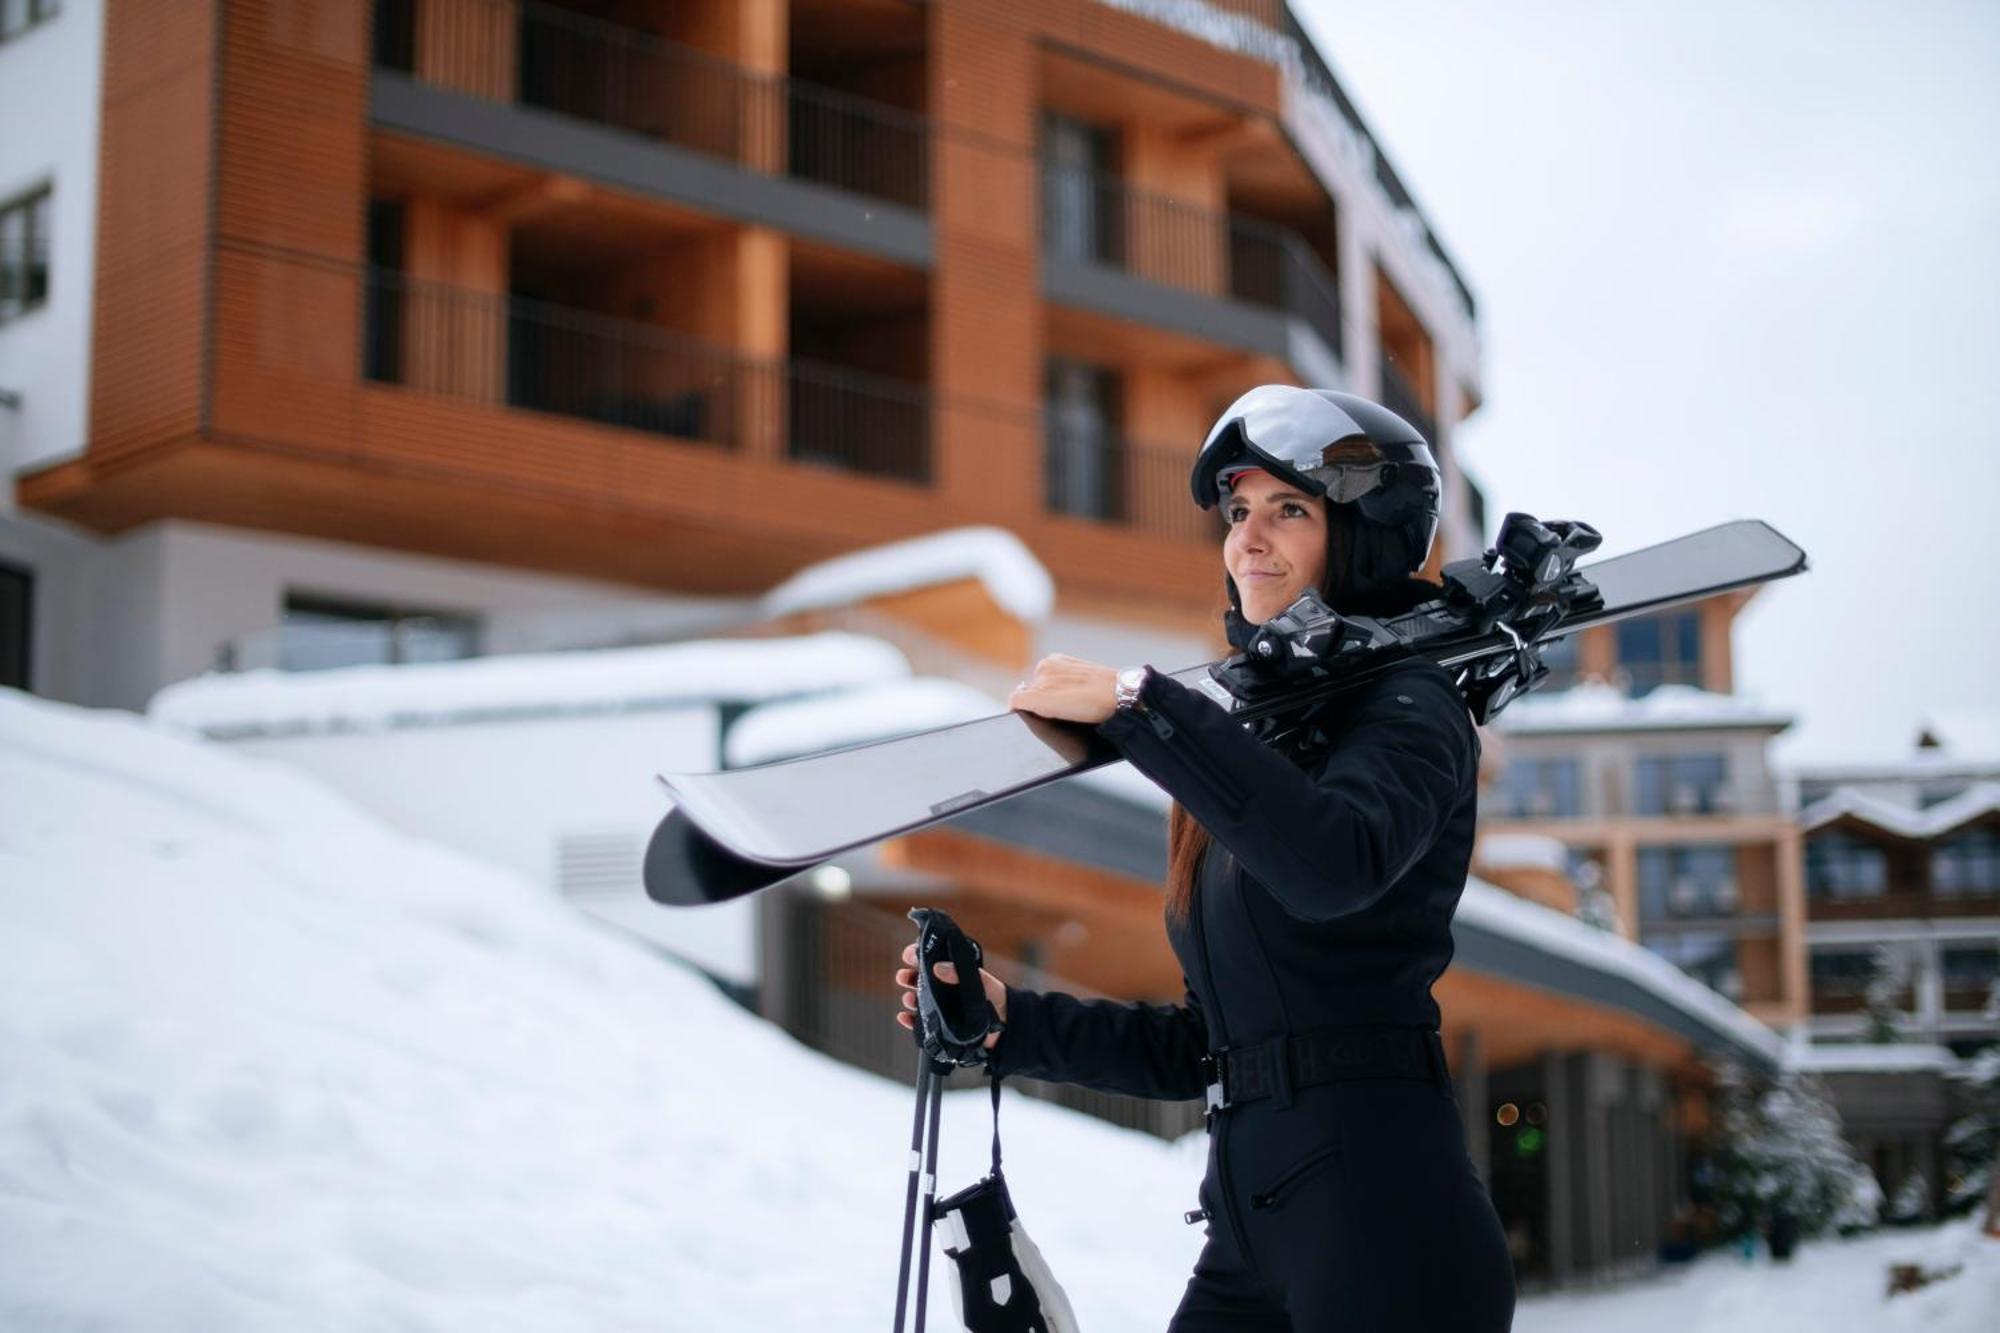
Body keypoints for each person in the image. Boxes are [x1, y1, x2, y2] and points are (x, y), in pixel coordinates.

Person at [894, 385, 1517, 1331]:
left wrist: (1146, 708)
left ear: (1366, 538)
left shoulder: (1414, 710)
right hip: (1251, 1228)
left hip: (1390, 1230)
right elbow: (1211, 1044)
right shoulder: (1251, 746)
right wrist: (1012, 1024)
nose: (1248, 541)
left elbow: (1331, 863)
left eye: (1290, 511)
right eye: (1238, 512)